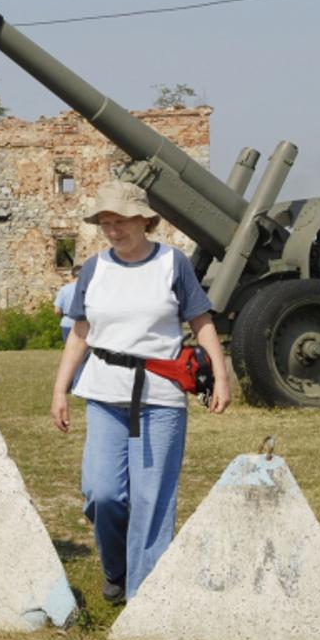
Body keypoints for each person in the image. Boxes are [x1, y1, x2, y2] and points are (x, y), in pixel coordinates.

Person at [50, 181, 230, 604]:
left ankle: (143, 597)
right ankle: (116, 569)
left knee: (152, 499)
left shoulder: (173, 263)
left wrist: (221, 376)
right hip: (104, 394)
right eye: (105, 223)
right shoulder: (95, 268)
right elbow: (80, 332)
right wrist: (61, 389)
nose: (112, 230)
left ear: (144, 219)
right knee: (103, 493)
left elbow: (201, 322)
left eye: (120, 221)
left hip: (161, 397)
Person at [53, 263, 83, 343]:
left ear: (72, 276)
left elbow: (57, 311)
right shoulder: (87, 289)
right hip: (83, 324)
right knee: (83, 352)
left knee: (69, 351)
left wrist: (62, 316)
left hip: (67, 322)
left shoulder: (64, 289)